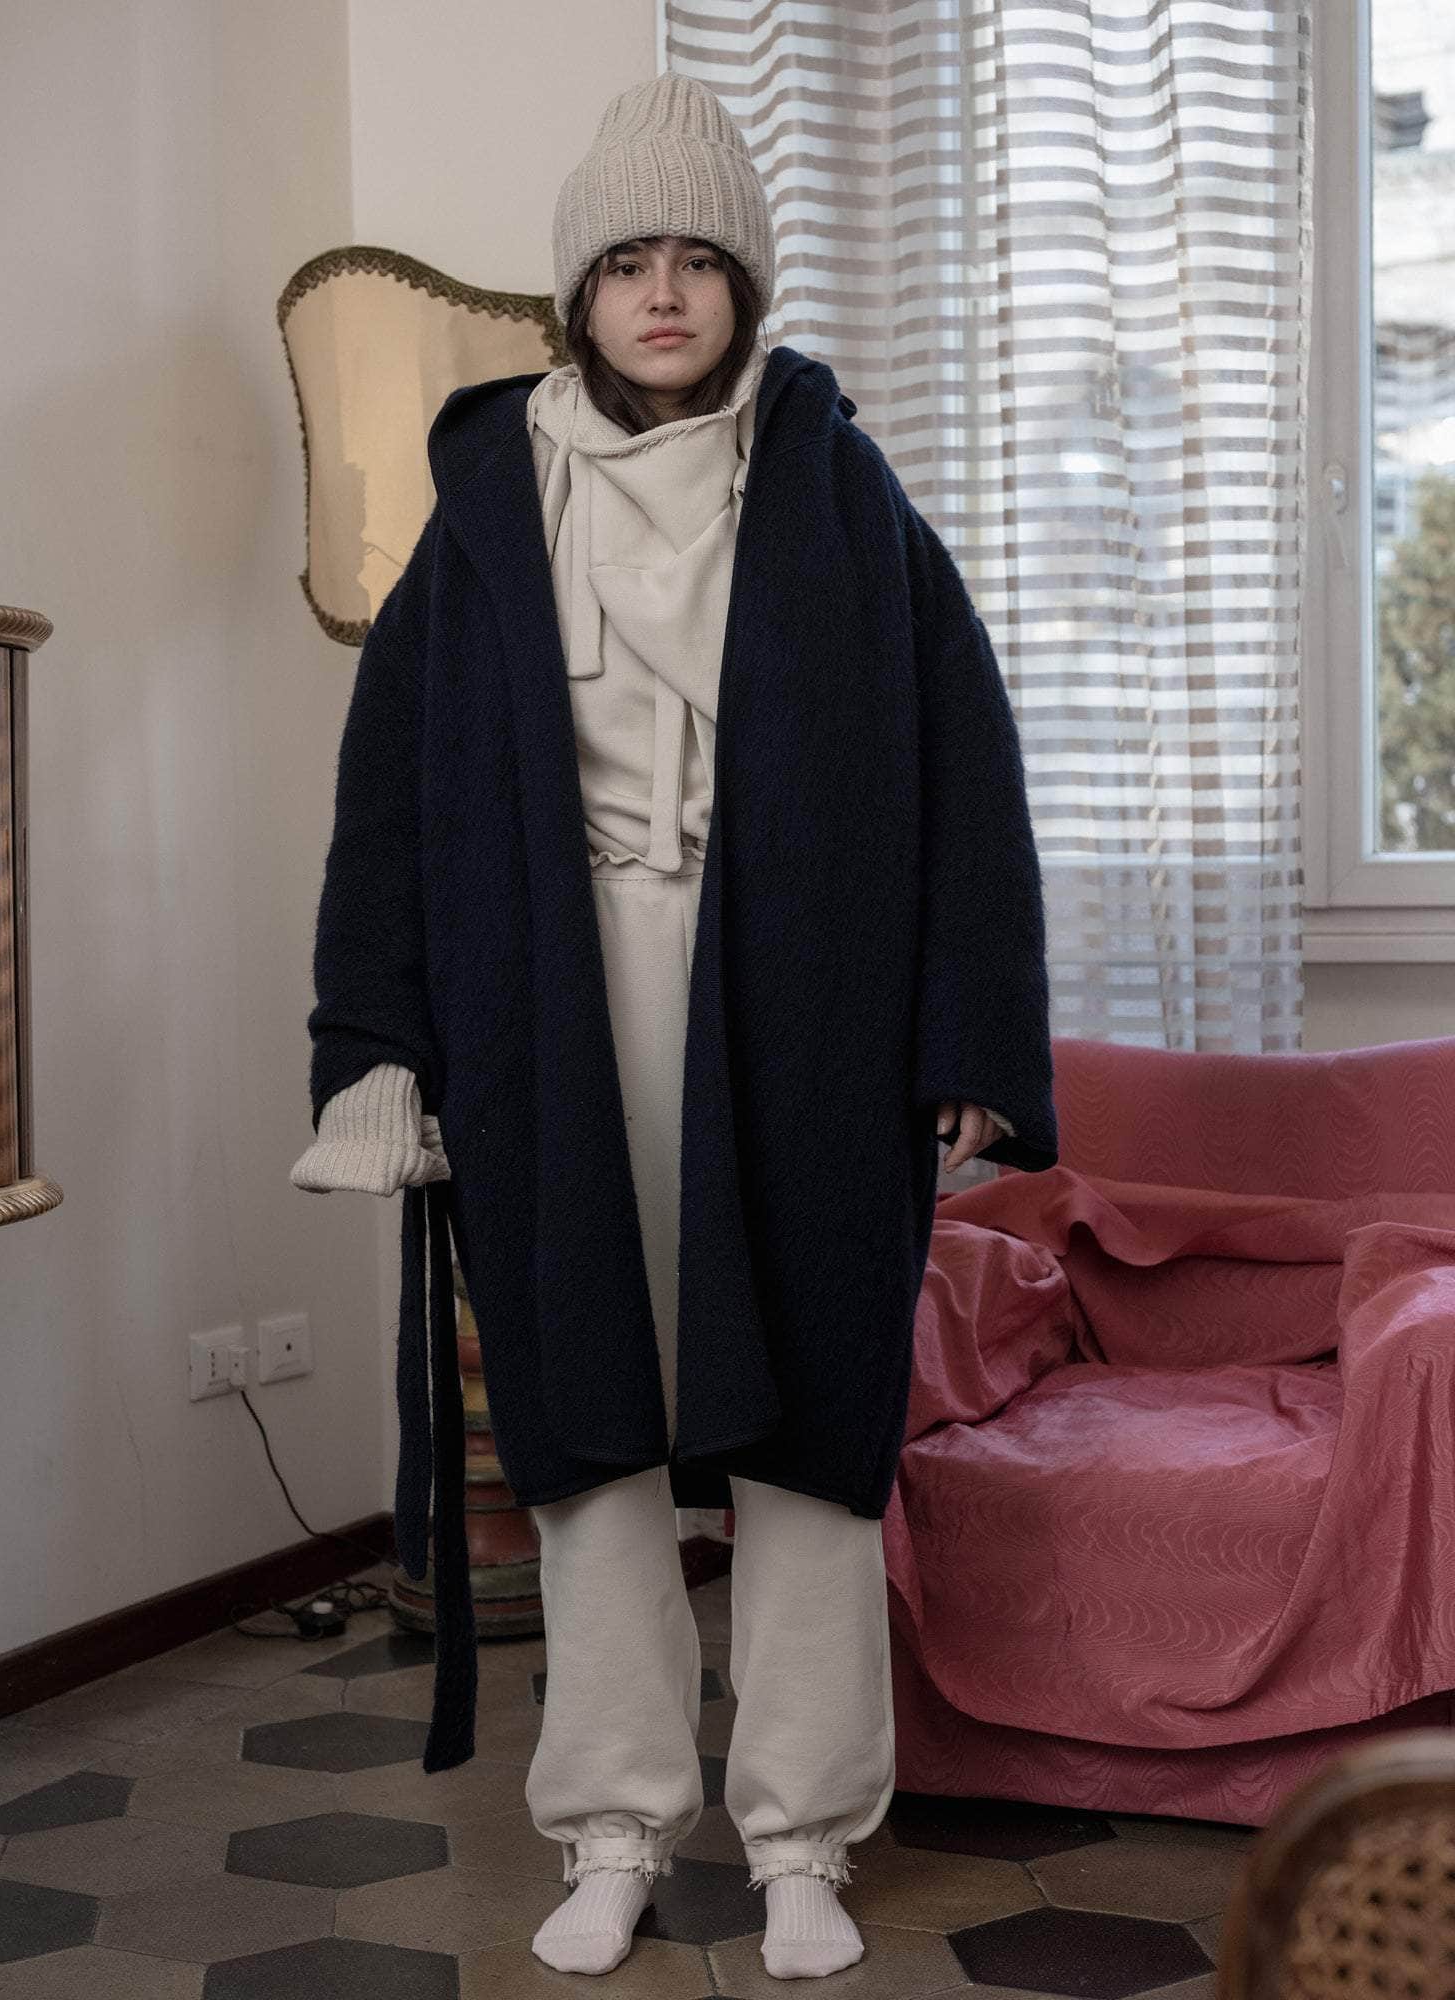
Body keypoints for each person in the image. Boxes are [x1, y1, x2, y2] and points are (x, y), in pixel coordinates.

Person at [291, 70, 1057, 1981]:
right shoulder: (488, 509)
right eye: (625, 260)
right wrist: (376, 1045)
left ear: (744, 288)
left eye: (695, 260)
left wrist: (969, 1039)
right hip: (551, 1011)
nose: (659, 292)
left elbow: (967, 767)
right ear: (578, 292)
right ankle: (617, 1823)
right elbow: (390, 797)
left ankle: (803, 1836)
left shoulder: (841, 492)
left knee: (810, 1426)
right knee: (588, 1429)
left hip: (802, 1012)